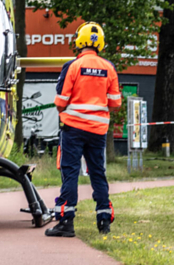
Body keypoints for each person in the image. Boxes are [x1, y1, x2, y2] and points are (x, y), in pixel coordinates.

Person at [45, 22, 121, 238]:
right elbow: (115, 103)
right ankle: (104, 221)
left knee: (70, 172)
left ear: (79, 41)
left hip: (73, 130)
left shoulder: (73, 66)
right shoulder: (109, 68)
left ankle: (66, 222)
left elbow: (60, 102)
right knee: (98, 173)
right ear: (101, 43)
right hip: (98, 131)